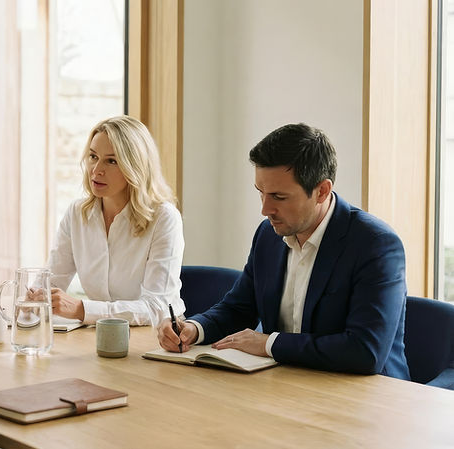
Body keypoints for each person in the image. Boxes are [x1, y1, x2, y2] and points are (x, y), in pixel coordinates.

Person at [158, 123, 410, 379]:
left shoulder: (375, 244)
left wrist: (269, 344)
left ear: (322, 191)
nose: (265, 210)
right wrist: (193, 327)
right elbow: (238, 308)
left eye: (278, 197)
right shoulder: (269, 234)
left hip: (368, 397)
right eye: (261, 193)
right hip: (287, 384)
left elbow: (365, 352)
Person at [45, 115, 185, 326]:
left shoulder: (164, 218)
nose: (96, 170)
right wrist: (34, 298)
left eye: (111, 161)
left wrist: (81, 309)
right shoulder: (77, 213)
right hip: (100, 335)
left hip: (154, 337)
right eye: (93, 156)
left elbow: (156, 307)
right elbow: (51, 283)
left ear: (134, 167)